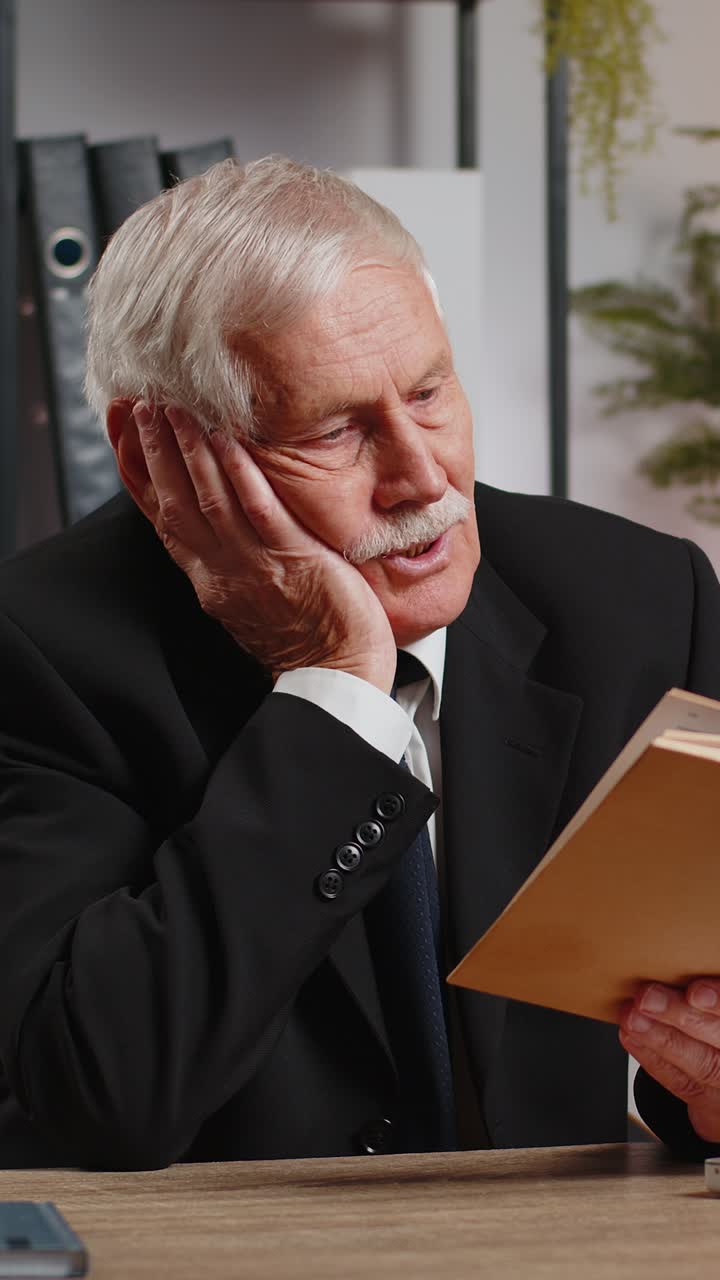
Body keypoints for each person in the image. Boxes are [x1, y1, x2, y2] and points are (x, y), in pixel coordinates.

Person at [1, 156, 720, 1171]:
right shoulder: (42, 650)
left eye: (428, 392)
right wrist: (336, 685)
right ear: (151, 455)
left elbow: (687, 1042)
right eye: (335, 429)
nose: (424, 477)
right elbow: (101, 1096)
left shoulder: (643, 598)